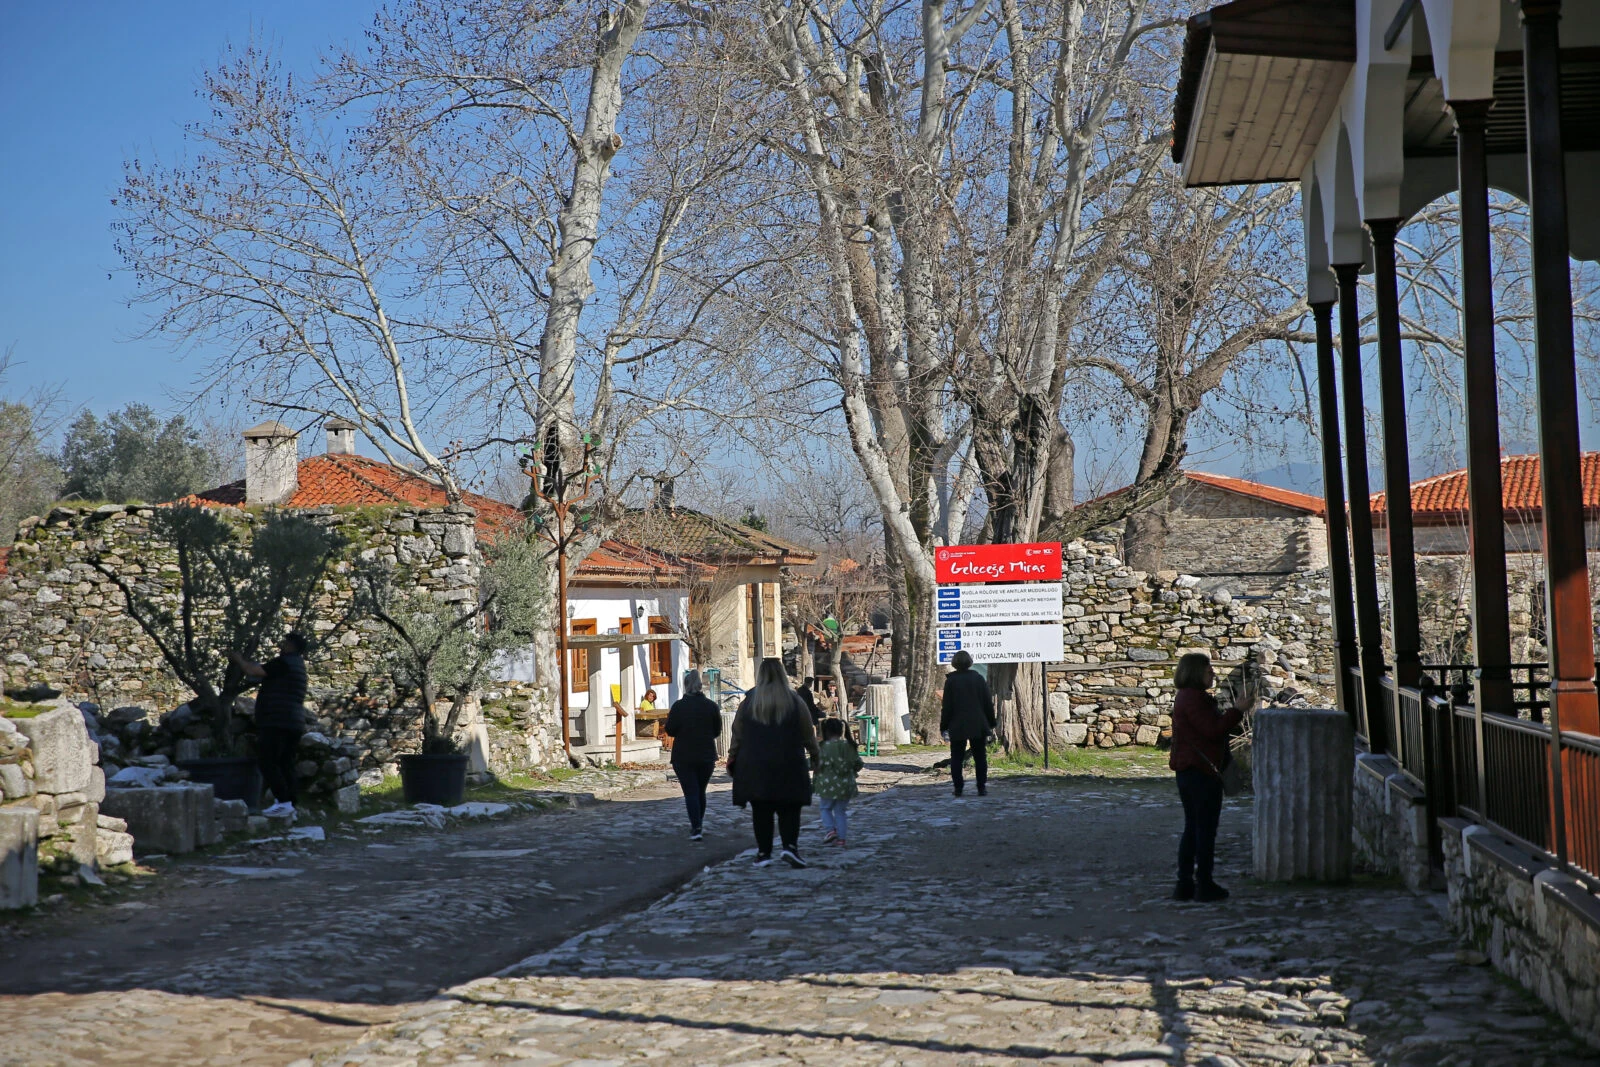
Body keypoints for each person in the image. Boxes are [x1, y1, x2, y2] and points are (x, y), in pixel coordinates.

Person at [1168, 651, 1255, 902]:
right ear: (1196, 672)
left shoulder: (1189, 698)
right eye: (1208, 670)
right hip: (1199, 772)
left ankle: (1186, 884)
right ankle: (1202, 884)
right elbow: (1212, 730)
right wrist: (1237, 711)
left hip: (1192, 771)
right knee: (1203, 830)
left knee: (1194, 828)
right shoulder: (1193, 699)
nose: (1213, 673)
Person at [727, 658, 820, 868]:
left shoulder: (750, 702)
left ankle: (764, 853)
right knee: (789, 808)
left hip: (755, 764)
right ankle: (790, 847)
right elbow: (808, 734)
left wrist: (732, 757)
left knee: (761, 811)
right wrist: (816, 756)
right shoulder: (795, 701)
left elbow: (737, 734)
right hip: (789, 762)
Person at [229, 632, 310, 819]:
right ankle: (290, 804)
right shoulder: (297, 665)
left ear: (291, 646)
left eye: (285, 642)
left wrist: (238, 659)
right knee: (285, 763)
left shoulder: (284, 663)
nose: (282, 645)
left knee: (268, 761)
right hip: (293, 721)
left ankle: (282, 802)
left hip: (277, 719)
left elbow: (253, 671)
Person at [665, 670, 722, 841]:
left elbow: (670, 730)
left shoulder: (678, 706)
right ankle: (699, 822)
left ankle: (696, 827)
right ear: (700, 686)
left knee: (690, 791)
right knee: (700, 791)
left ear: (685, 685)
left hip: (683, 755)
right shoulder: (711, 706)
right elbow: (717, 730)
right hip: (706, 754)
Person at [939, 650, 995, 797]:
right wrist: (991, 721)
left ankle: (958, 787)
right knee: (980, 756)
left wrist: (944, 725)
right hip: (977, 722)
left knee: (956, 757)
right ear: (969, 662)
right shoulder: (978, 678)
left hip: (957, 724)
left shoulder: (951, 681)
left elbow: (947, 707)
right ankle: (981, 787)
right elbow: (987, 703)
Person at [812, 717, 863, 847]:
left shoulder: (822, 747)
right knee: (841, 812)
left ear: (825, 732)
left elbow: (813, 764)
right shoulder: (849, 746)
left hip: (827, 786)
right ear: (841, 731)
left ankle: (830, 830)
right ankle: (842, 839)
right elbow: (858, 764)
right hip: (846, 785)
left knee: (825, 808)